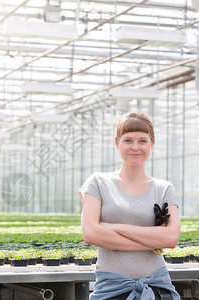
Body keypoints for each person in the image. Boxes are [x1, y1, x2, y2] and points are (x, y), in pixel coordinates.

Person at [79, 112, 181, 300]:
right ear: (117, 143)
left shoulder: (164, 188)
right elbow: (91, 233)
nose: (135, 147)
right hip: (112, 289)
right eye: (128, 140)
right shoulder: (98, 183)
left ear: (152, 144)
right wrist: (151, 242)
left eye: (142, 140)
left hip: (157, 288)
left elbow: (170, 239)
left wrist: (112, 227)